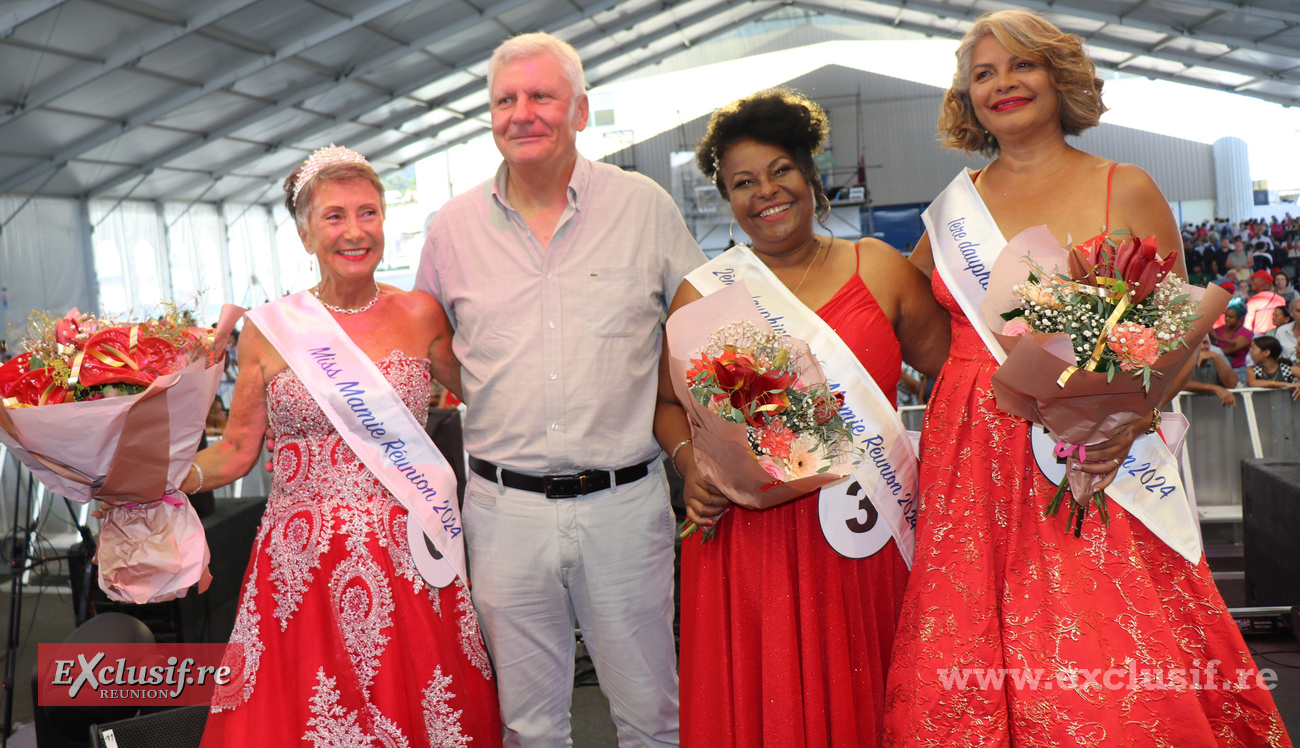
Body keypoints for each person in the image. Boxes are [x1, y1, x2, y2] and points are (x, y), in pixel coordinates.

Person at [884, 10, 1291, 746]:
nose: (1003, 83)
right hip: (972, 453)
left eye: (1022, 64)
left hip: (1093, 447)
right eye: (984, 73)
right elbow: (912, 322)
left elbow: (1177, 334)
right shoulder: (952, 208)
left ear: (1059, 76)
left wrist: (1122, 423)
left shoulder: (1123, 186)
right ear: (967, 97)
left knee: (1099, 630)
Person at [416, 33, 704, 747]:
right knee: (527, 726)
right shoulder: (451, 228)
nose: (522, 113)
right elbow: (429, 344)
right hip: (503, 513)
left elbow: (699, 328)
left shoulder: (642, 207)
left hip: (623, 505)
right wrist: (492, 389)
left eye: (541, 96)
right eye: (505, 100)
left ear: (579, 110)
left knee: (651, 718)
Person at [654, 89, 949, 748]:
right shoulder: (705, 290)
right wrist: (690, 465)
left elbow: (960, 374)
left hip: (870, 522)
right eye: (743, 182)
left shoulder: (879, 269)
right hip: (752, 539)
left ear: (810, 174)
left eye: (780, 169)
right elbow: (667, 404)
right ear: (727, 199)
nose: (765, 191)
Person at [194, 145, 501, 747]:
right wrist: (153, 478)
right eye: (334, 216)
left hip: (410, 559)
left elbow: (491, 397)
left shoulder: (421, 313)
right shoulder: (269, 328)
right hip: (300, 566)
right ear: (305, 234)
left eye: (368, 213)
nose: (355, 232)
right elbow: (234, 451)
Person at [1183, 336, 1239, 407]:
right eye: (1197, 344)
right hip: (1189, 408)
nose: (1202, 347)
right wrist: (1215, 388)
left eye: (1205, 343)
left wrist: (1215, 357)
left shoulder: (1217, 355)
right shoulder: (1182, 359)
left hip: (1216, 407)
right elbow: (1181, 384)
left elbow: (1232, 384)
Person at [1211, 298, 1255, 382]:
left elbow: (1227, 350)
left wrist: (1216, 338)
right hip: (1219, 371)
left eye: (1231, 317)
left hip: (1237, 371)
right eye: (1226, 316)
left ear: (1239, 318)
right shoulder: (1219, 329)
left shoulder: (1246, 333)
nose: (1227, 319)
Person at [1244, 269, 1286, 333]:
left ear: (1261, 282)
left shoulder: (1253, 300)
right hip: (1276, 335)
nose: (1250, 282)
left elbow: (1248, 324)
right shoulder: (1281, 299)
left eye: (1253, 279)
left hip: (1259, 336)